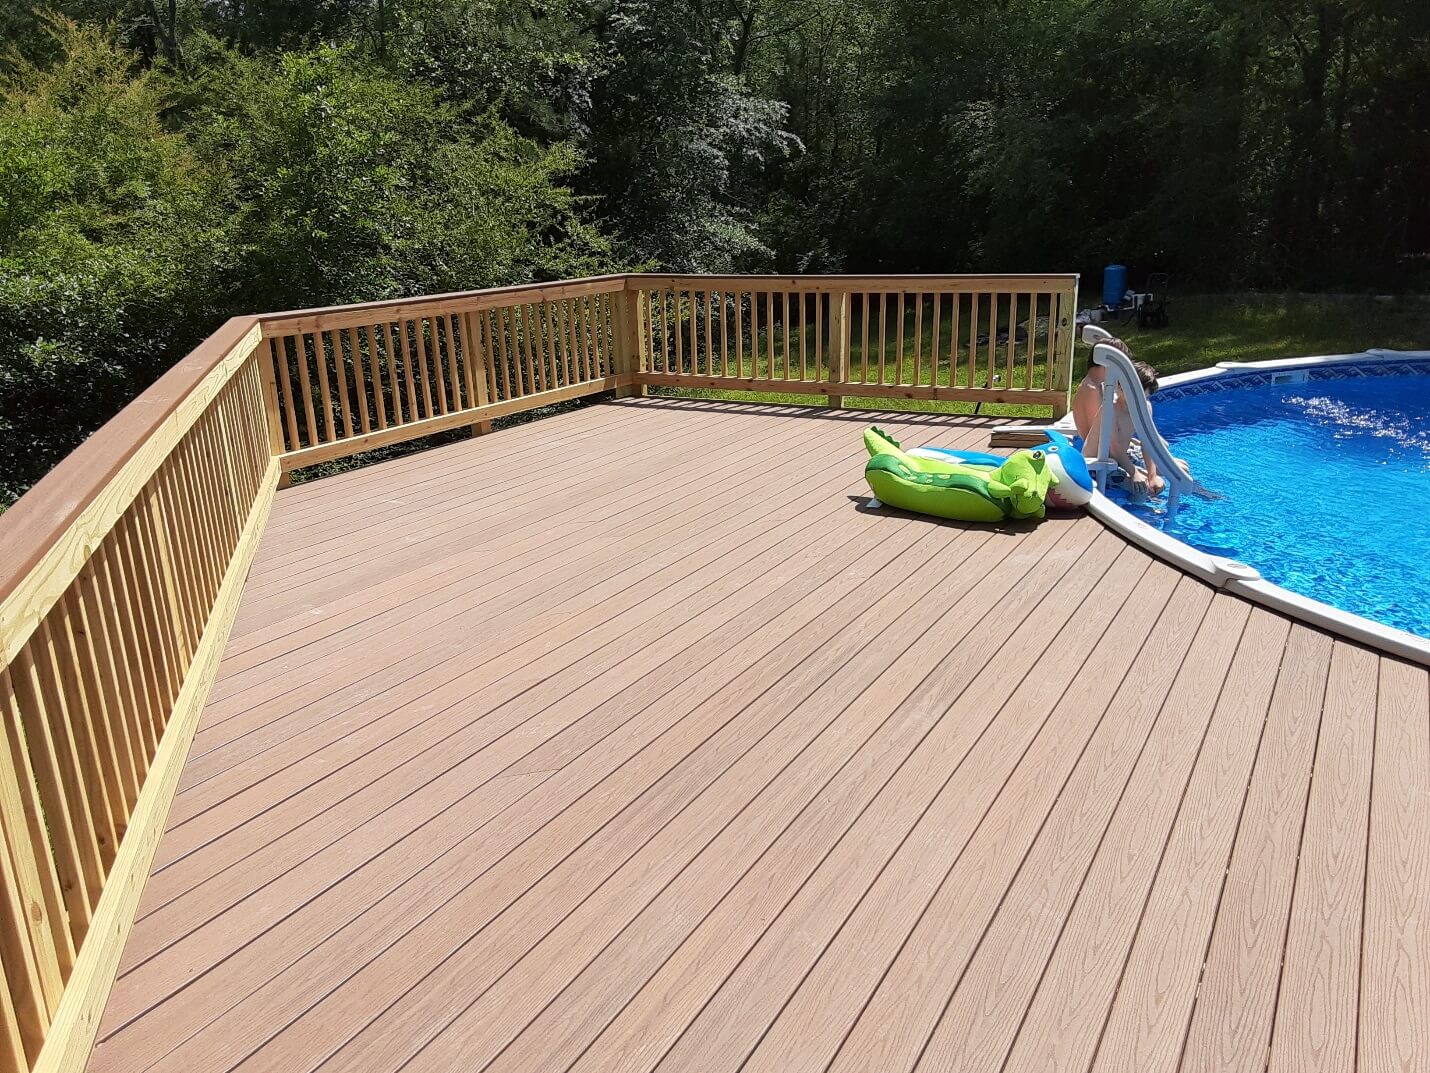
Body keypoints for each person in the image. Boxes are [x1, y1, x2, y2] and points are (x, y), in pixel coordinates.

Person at [1071, 337, 1168, 496]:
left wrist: (1152, 475)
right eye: (1134, 397)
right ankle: (1141, 514)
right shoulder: (1109, 408)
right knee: (1142, 490)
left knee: (1165, 475)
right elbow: (1113, 448)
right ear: (1119, 387)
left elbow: (1147, 442)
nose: (1137, 403)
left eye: (1144, 398)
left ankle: (1206, 496)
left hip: (1116, 458)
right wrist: (1134, 472)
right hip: (1099, 463)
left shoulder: (1145, 407)